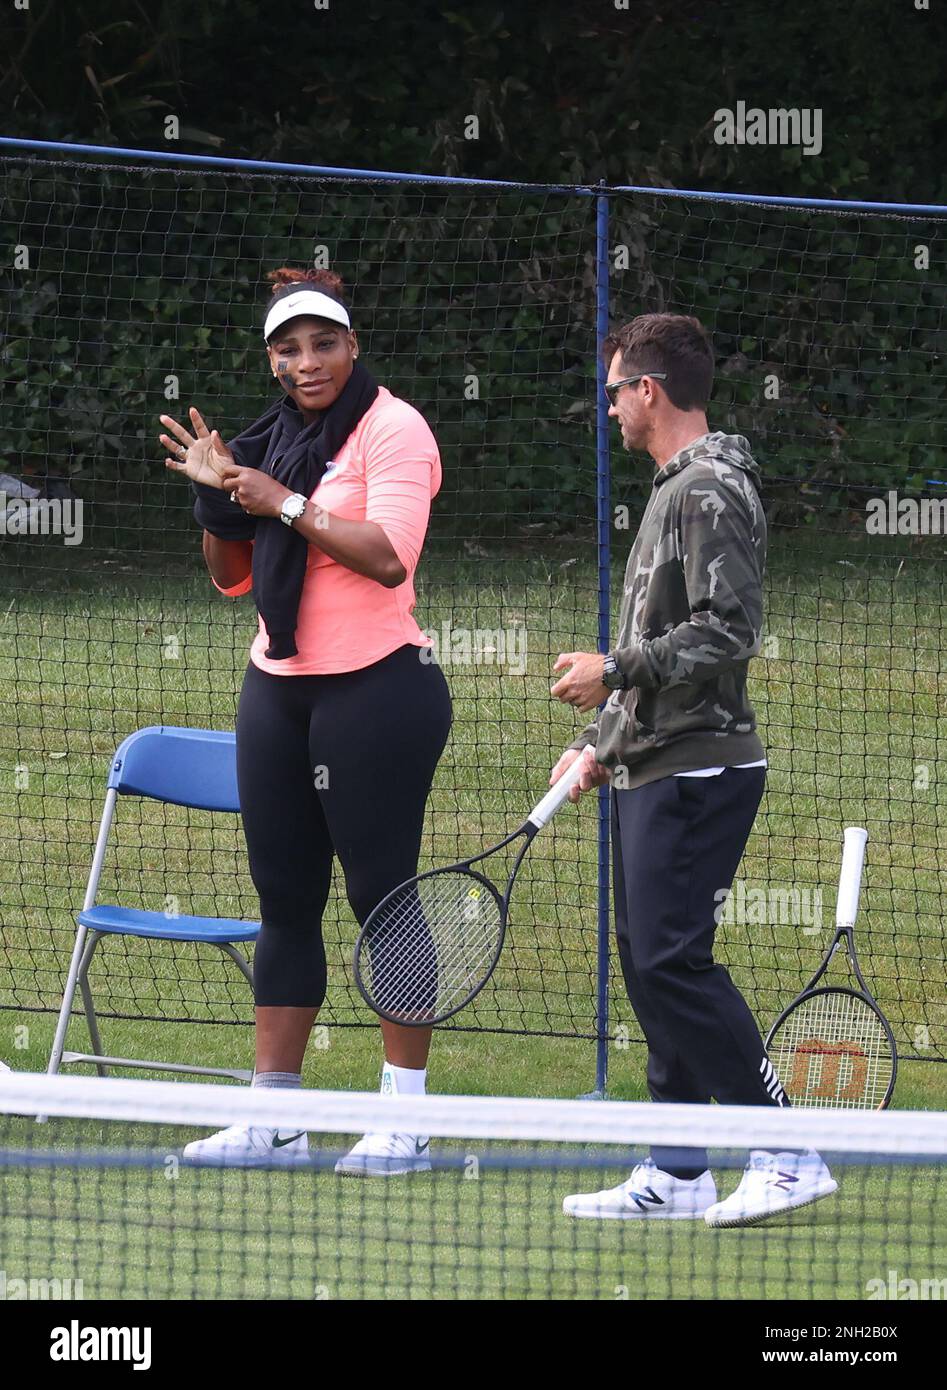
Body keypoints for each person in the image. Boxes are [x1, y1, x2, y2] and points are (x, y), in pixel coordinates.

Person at [158, 266, 452, 1175]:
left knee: (382, 897)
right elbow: (230, 577)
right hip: (276, 688)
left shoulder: (393, 428)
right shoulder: (270, 438)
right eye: (288, 349)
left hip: (378, 690)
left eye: (323, 342)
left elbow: (387, 558)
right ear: (274, 362)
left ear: (352, 347)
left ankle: (405, 1120)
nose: (306, 361)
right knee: (284, 902)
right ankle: (274, 1120)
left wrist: (276, 498)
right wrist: (218, 494)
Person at [549, 314, 836, 1227]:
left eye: (613, 392)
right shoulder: (679, 487)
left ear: (646, 390)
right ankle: (676, 1171)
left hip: (701, 770)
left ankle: (786, 1151)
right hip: (654, 761)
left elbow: (727, 629)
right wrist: (604, 740)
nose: (607, 411)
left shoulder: (708, 488)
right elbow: (660, 632)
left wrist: (615, 671)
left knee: (674, 961)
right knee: (648, 962)